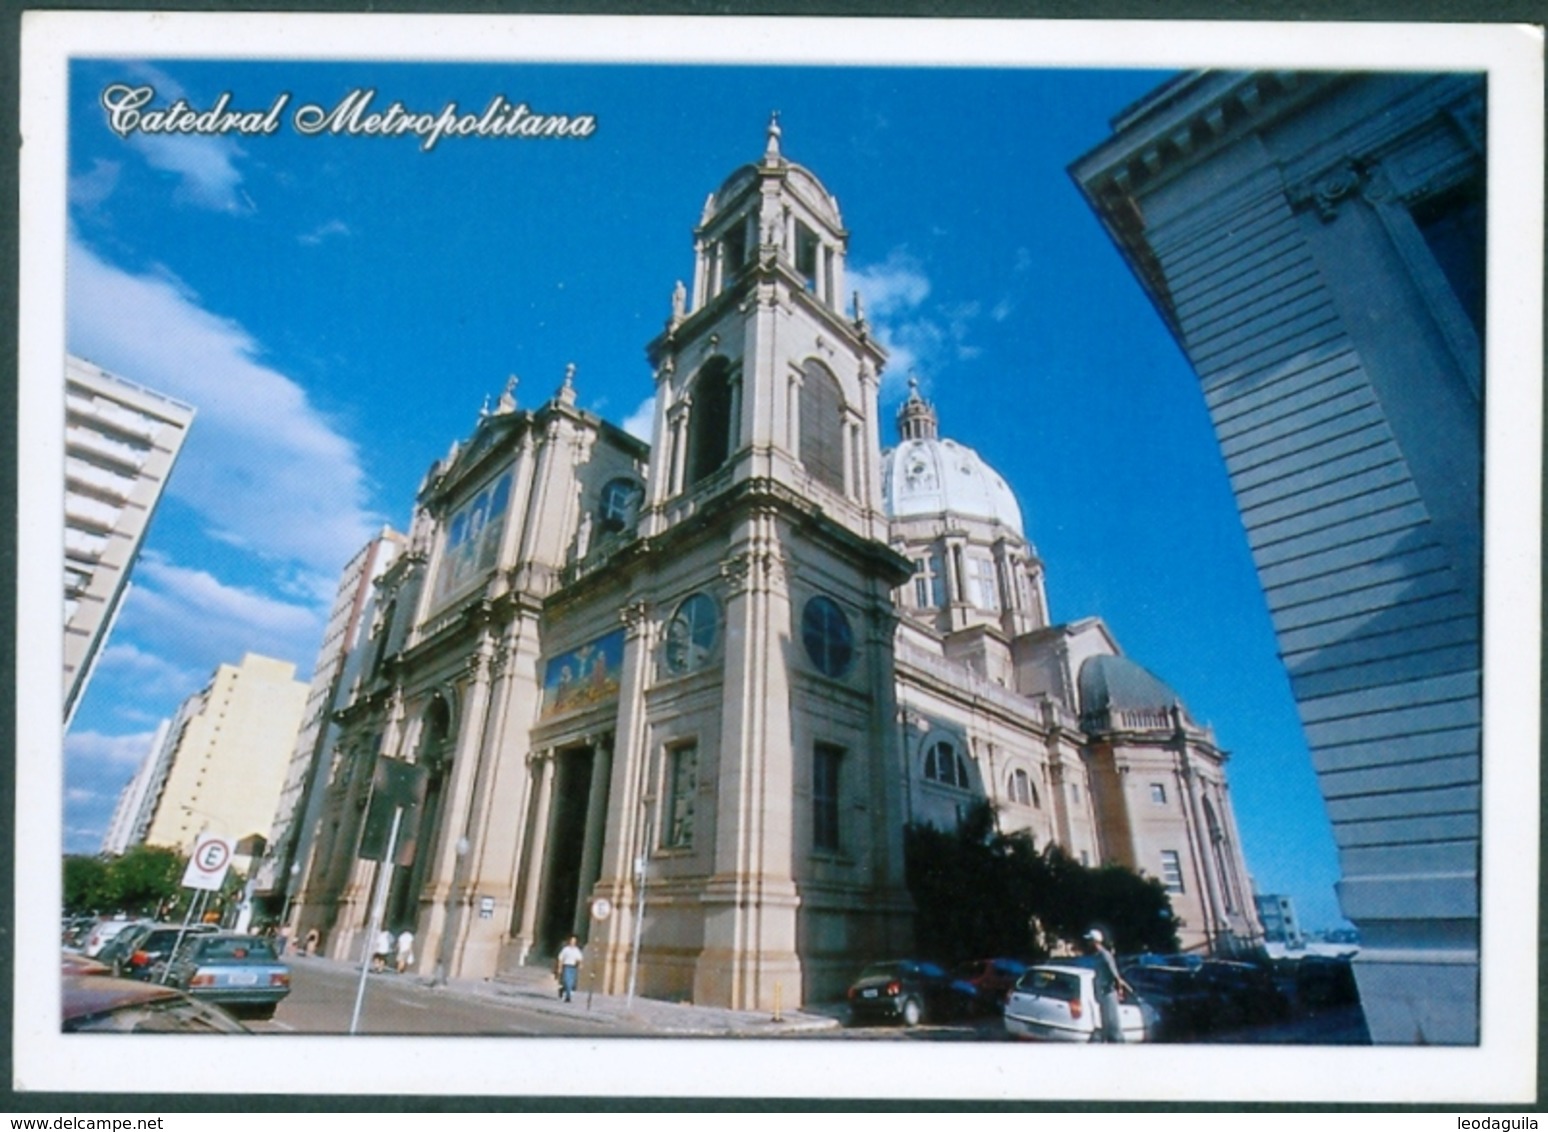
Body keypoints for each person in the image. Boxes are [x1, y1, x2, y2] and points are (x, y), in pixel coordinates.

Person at [1083, 928, 1132, 1042]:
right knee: (1106, 1025)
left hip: (1109, 994)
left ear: (1095, 941)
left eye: (1089, 940)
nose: (1087, 943)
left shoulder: (1105, 955)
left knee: (1113, 1026)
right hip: (1102, 994)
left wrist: (1120, 991)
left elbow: (1116, 976)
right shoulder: (1097, 956)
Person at [555, 936, 584, 1002]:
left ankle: (562, 989)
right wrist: (559, 967)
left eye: (574, 941)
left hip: (573, 967)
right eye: (571, 941)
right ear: (569, 941)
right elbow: (561, 959)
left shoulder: (577, 950)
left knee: (571, 983)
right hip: (566, 966)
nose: (572, 942)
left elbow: (579, 959)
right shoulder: (566, 949)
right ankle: (568, 997)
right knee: (567, 981)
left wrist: (580, 965)